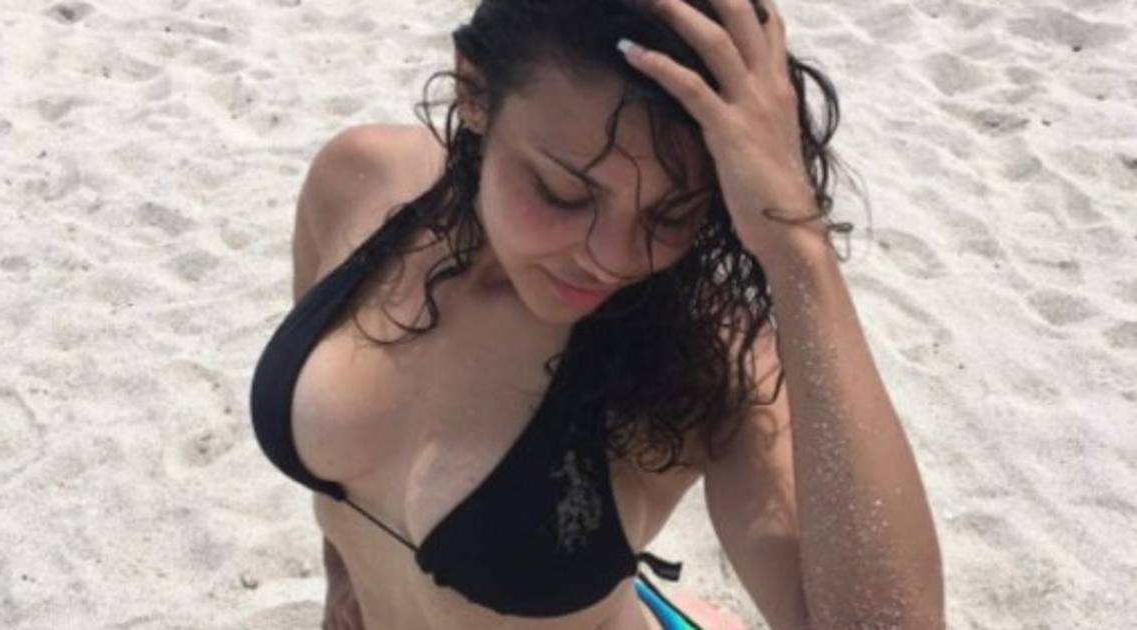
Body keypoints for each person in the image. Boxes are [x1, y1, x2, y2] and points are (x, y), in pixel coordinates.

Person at [249, 0, 945, 628]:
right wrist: (342, 576)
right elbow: (339, 497)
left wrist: (797, 246)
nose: (613, 260)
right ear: (475, 92)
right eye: (563, 193)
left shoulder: (712, 359)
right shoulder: (362, 182)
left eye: (671, 213)